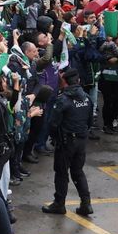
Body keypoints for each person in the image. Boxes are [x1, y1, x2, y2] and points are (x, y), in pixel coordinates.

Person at [42, 69, 94, 217]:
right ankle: (86, 203)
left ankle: (59, 204)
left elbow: (53, 124)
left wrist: (55, 138)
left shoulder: (63, 100)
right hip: (81, 140)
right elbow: (90, 121)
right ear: (78, 81)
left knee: (61, 172)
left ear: (64, 82)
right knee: (78, 171)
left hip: (66, 142)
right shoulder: (87, 98)